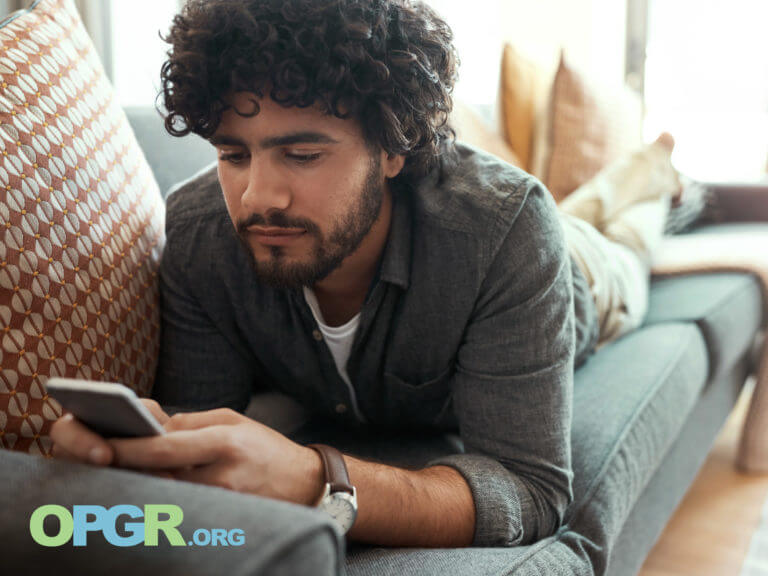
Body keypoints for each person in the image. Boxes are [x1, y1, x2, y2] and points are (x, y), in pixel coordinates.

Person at [50, 0, 680, 549]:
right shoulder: (198, 234)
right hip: (532, 231)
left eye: (301, 154)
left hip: (585, 278)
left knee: (622, 238)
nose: (256, 198)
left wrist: (315, 478)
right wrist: (137, 460)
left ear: (393, 147)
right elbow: (203, 424)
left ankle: (654, 179)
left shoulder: (505, 229)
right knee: (583, 212)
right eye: (233, 154)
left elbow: (533, 490)